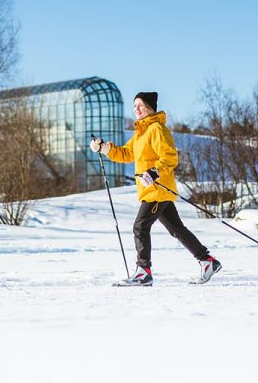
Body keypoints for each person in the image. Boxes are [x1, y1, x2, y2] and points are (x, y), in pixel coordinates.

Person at [90, 91, 221, 286]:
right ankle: (207, 261)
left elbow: (170, 157)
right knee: (176, 229)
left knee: (140, 226)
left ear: (150, 108)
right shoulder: (140, 133)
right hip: (154, 190)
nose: (137, 109)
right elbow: (127, 153)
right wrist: (105, 148)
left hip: (158, 189)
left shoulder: (157, 129)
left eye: (140, 105)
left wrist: (154, 172)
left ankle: (143, 272)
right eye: (134, 106)